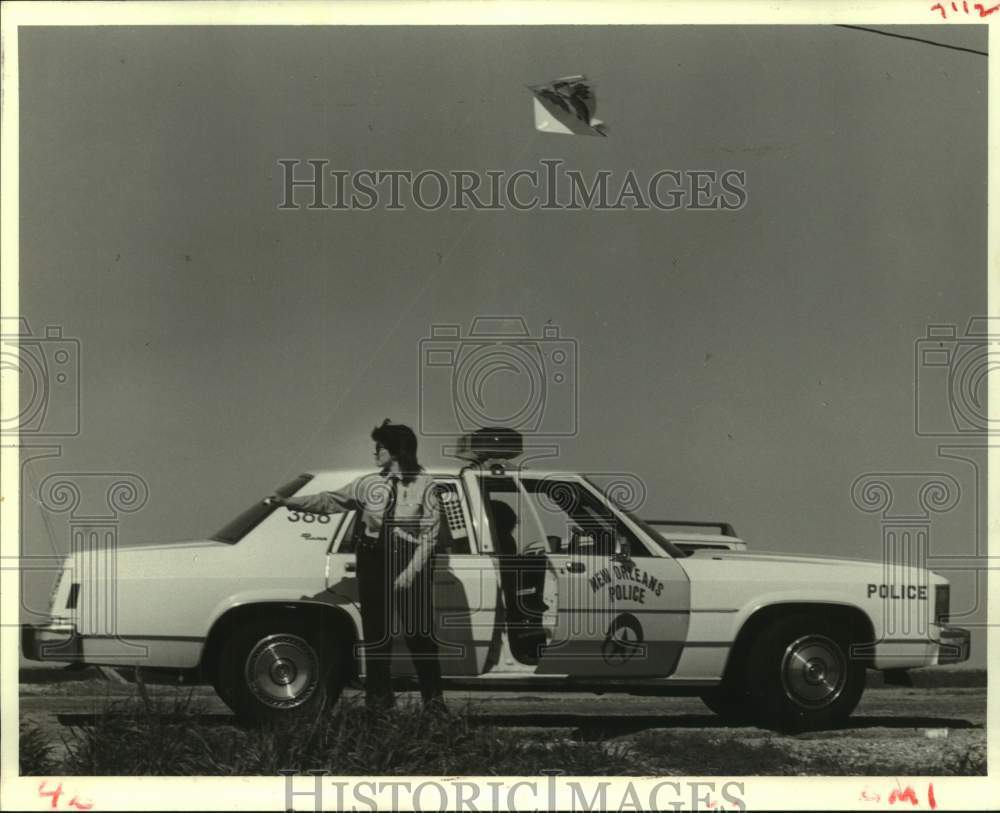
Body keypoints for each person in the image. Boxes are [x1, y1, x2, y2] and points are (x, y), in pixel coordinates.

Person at [267, 420, 445, 713]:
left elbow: (430, 536)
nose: (376, 453)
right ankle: (378, 706)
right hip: (373, 561)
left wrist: (408, 575)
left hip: (409, 561)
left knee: (419, 636)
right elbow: (331, 501)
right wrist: (289, 502)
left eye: (380, 448)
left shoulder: (426, 486)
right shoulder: (368, 484)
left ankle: (435, 705)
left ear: (397, 452)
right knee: (377, 636)